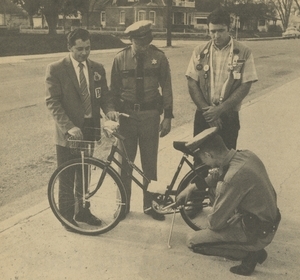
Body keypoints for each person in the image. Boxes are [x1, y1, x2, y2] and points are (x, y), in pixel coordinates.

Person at [176, 127, 281, 276]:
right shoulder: (245, 155)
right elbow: (220, 173)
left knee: (193, 241)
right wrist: (191, 187)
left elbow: (215, 223)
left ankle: (251, 253)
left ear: (208, 154)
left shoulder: (232, 178)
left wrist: (220, 204)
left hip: (256, 230)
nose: (204, 163)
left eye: (202, 159)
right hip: (266, 219)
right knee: (216, 191)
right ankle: (250, 246)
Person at [45, 28, 118, 231]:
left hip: (89, 128)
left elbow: (105, 95)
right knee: (67, 175)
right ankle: (67, 217)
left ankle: (83, 211)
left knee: (84, 173)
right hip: (69, 131)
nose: (84, 53)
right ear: (69, 47)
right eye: (79, 49)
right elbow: (53, 102)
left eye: (87, 48)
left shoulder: (97, 68)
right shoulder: (56, 69)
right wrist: (69, 127)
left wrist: (110, 111)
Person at [110, 20, 174, 221]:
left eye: (147, 41)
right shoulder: (120, 59)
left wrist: (168, 117)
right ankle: (123, 206)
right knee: (125, 164)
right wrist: (112, 112)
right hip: (127, 116)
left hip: (150, 116)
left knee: (149, 163)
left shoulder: (159, 58)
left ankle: (150, 206)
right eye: (139, 42)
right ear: (131, 40)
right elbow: (113, 90)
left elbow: (167, 88)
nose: (144, 46)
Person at [185, 8, 258, 150]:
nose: (216, 35)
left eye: (220, 30)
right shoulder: (199, 51)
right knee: (200, 161)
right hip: (204, 115)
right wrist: (209, 113)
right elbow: (192, 82)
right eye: (212, 31)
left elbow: (246, 84)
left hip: (228, 116)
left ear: (229, 29)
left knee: (226, 162)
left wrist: (220, 110)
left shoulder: (244, 52)